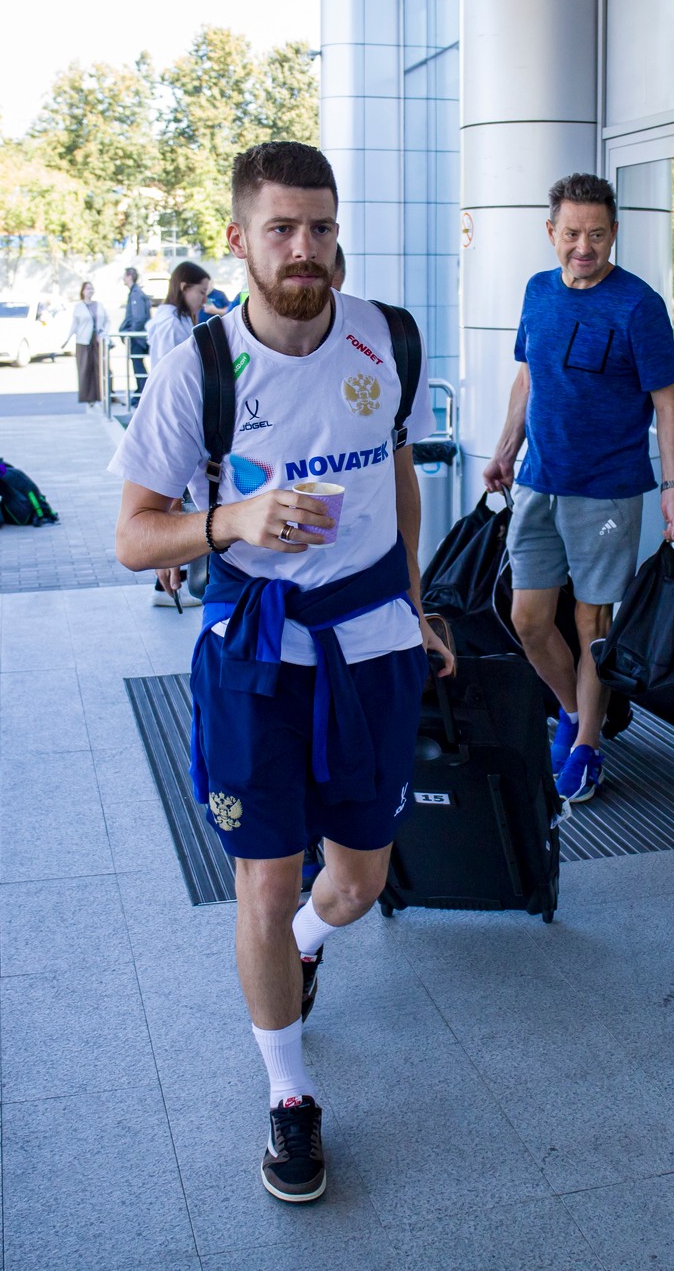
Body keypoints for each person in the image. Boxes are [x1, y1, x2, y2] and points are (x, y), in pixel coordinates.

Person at [111, 140, 453, 1206]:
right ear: (238, 239)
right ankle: (290, 1091)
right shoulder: (197, 371)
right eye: (280, 228)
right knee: (262, 877)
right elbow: (131, 537)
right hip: (254, 649)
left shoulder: (386, 336)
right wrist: (231, 519)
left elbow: (394, 459)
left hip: (369, 641)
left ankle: (308, 939)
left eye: (318, 225)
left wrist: (414, 594)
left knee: (355, 883)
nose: (304, 248)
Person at [482, 172, 674, 805]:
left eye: (597, 235)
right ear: (551, 233)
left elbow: (669, 403)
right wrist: (504, 450)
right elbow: (527, 380)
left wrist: (673, 486)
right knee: (528, 617)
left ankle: (587, 746)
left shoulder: (638, 305)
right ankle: (575, 713)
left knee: (591, 619)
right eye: (572, 234)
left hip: (607, 489)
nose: (584, 247)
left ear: (614, 234)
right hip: (540, 479)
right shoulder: (537, 293)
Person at [145, 262, 214, 609]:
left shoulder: (183, 319)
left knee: (186, 504)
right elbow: (168, 373)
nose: (203, 300)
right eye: (200, 292)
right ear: (183, 287)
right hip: (174, 421)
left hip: (186, 419)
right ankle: (167, 588)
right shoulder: (168, 323)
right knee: (175, 505)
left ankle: (174, 585)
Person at [145, 262, 211, 358]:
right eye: (202, 292)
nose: (205, 300)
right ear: (184, 287)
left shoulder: (181, 318)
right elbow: (170, 368)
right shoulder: (171, 324)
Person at [69, 280, 109, 408]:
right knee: (85, 369)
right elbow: (74, 324)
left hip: (97, 340)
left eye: (92, 288)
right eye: (87, 289)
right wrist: (67, 339)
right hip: (83, 340)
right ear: (83, 291)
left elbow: (107, 321)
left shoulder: (99, 306)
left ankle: (101, 395)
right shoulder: (79, 307)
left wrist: (103, 333)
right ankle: (88, 397)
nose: (90, 291)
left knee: (100, 368)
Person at [121, 266, 153, 399]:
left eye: (124, 275)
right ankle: (141, 392)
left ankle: (142, 393)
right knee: (137, 364)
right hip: (137, 336)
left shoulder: (136, 294)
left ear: (129, 276)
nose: (123, 278)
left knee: (138, 365)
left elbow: (138, 317)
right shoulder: (135, 293)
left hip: (137, 338)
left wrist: (131, 333)